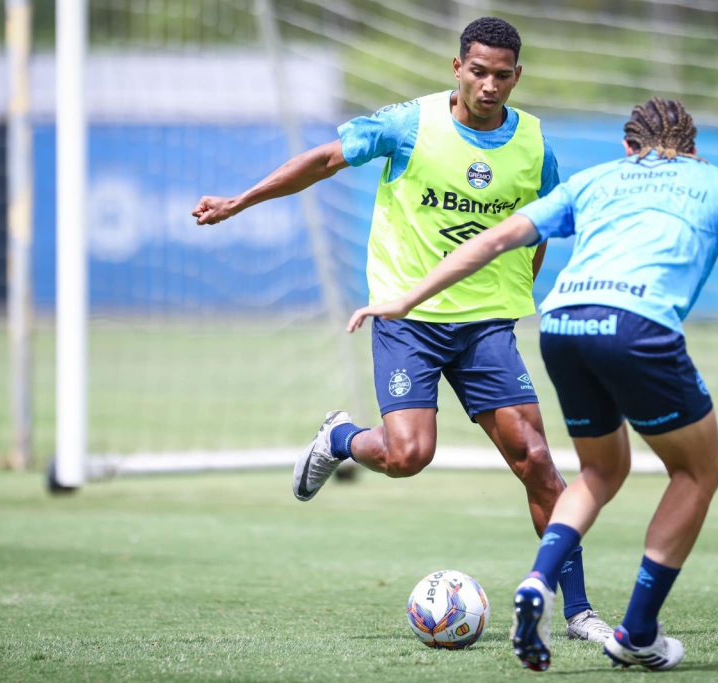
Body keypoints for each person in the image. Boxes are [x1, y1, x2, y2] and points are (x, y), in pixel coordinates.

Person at [346, 97, 718, 672]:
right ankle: (637, 631)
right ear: (694, 150)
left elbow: (494, 240)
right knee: (699, 470)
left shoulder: (597, 179)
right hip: (635, 325)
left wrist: (406, 297)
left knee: (599, 470)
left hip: (564, 323)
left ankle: (541, 582)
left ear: (628, 148)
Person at [192, 17, 612, 641]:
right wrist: (241, 201)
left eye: (502, 75)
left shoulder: (534, 144)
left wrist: (512, 292)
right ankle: (340, 439)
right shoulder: (409, 124)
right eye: (478, 71)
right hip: (406, 318)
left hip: (486, 327)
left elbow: (541, 227)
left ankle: (577, 611)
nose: (489, 85)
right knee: (408, 455)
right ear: (456, 67)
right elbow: (326, 159)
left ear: (517, 76)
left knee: (539, 462)